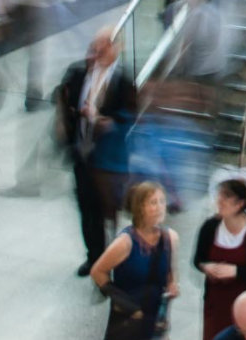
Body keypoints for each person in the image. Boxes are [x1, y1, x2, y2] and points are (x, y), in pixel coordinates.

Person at [62, 29, 139, 277]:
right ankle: (93, 256)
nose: (97, 53)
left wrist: (104, 121)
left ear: (117, 47)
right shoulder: (78, 73)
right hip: (83, 153)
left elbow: (130, 117)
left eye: (103, 47)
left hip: (108, 159)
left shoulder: (123, 80)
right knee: (86, 207)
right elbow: (66, 104)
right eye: (95, 47)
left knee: (109, 210)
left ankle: (113, 257)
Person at [91, 182, 181, 340]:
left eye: (162, 201)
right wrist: (125, 304)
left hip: (155, 319)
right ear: (140, 208)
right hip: (128, 321)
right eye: (153, 202)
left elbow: (170, 273)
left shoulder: (170, 238)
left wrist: (173, 284)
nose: (160, 207)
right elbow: (97, 272)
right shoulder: (125, 242)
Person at [195, 179, 246, 340]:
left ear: (240, 203)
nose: (220, 201)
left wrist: (237, 271)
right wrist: (207, 267)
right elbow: (198, 259)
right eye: (219, 195)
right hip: (215, 303)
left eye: (226, 197)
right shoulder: (210, 227)